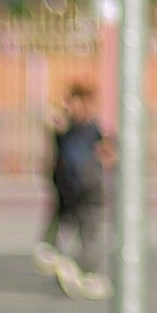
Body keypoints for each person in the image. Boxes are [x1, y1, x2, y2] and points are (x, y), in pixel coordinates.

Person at [43, 83, 110, 298]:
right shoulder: (68, 127)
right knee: (91, 233)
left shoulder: (90, 127)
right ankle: (76, 267)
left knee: (87, 232)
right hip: (78, 185)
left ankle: (85, 272)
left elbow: (106, 147)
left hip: (84, 184)